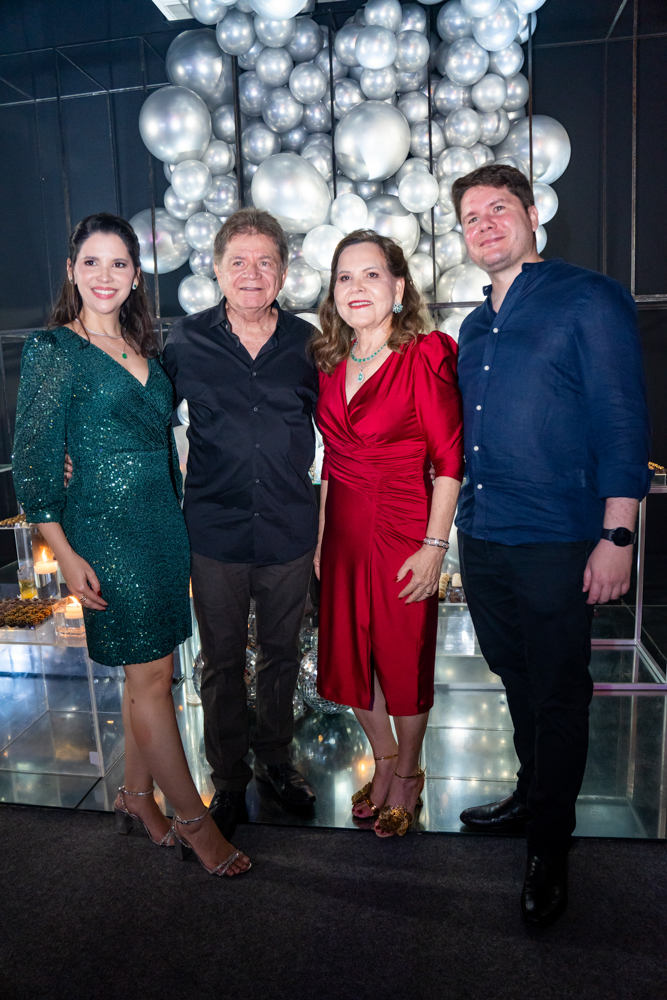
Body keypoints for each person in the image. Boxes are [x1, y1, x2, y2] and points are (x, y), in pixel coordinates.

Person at [13, 213, 250, 878]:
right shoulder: (54, 349)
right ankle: (195, 823)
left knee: (154, 673)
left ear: (135, 275)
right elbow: (32, 464)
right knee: (149, 678)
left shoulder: (145, 348)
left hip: (162, 528)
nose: (105, 275)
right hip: (106, 535)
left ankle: (136, 794)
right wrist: (65, 553)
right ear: (71, 271)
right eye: (91, 262)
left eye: (118, 263)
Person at [451, 164, 651, 925]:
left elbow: (622, 418)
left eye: (499, 208)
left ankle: (548, 844)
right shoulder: (473, 328)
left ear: (533, 215)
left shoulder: (589, 297)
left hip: (559, 537)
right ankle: (531, 796)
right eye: (471, 216)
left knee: (559, 690)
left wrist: (617, 534)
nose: (485, 224)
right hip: (484, 533)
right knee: (514, 675)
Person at [162, 208, 318, 840]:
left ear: (282, 271)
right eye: (238, 262)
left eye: (265, 262)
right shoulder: (184, 341)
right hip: (215, 531)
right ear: (217, 269)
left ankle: (276, 760)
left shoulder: (309, 344)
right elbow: (145, 418)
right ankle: (227, 779)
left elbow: (345, 425)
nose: (252, 273)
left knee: (282, 654)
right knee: (221, 662)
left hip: (288, 529)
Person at [311, 230, 464, 837]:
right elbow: (330, 460)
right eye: (345, 277)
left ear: (398, 287)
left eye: (371, 275)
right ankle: (383, 758)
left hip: (405, 529)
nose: (357, 288)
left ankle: (409, 771)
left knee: (403, 659)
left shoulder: (426, 354)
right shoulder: (331, 362)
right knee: (351, 657)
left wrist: (435, 547)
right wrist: (323, 537)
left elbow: (449, 461)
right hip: (343, 533)